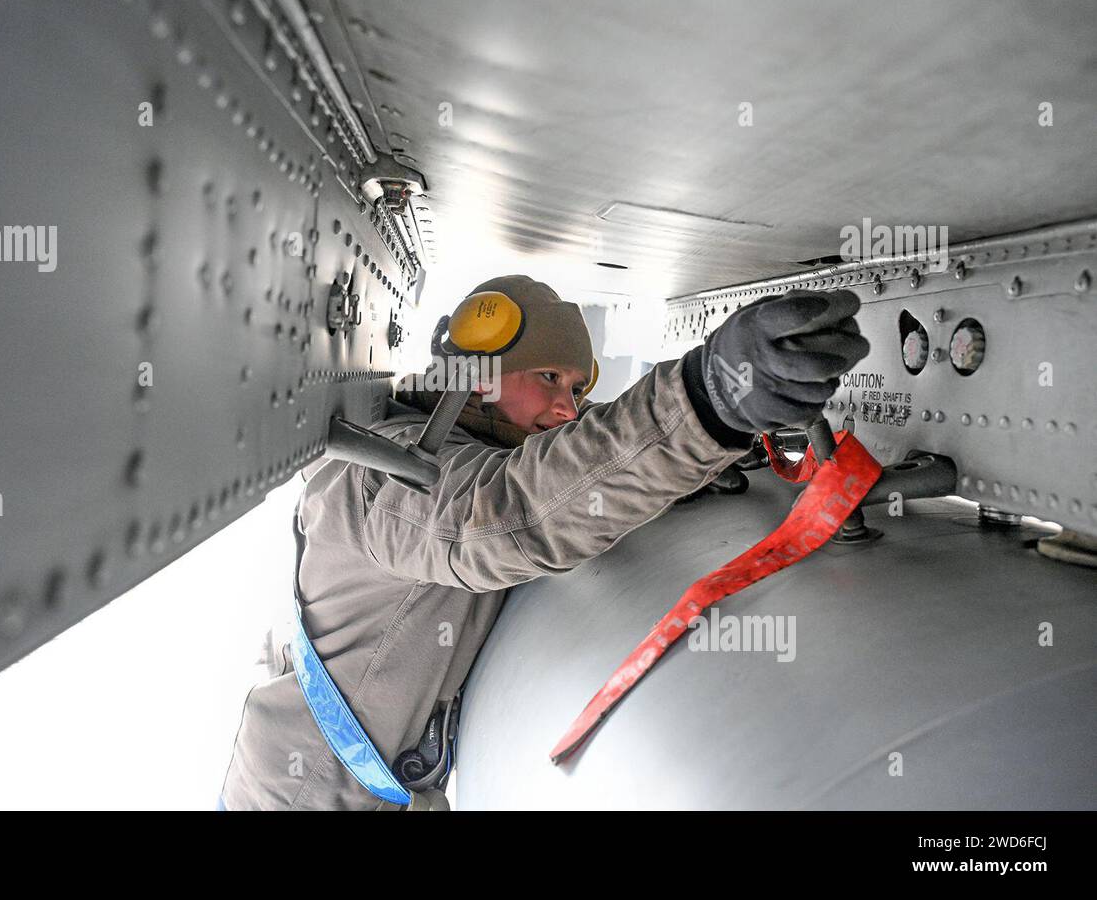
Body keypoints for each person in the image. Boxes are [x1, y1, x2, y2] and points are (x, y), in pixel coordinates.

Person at [218, 274, 869, 809]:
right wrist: (706, 400)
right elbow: (507, 513)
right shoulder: (381, 476)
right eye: (550, 378)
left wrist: (687, 464)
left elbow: (570, 457)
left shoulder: (454, 441)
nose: (567, 406)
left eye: (578, 387)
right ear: (478, 373)